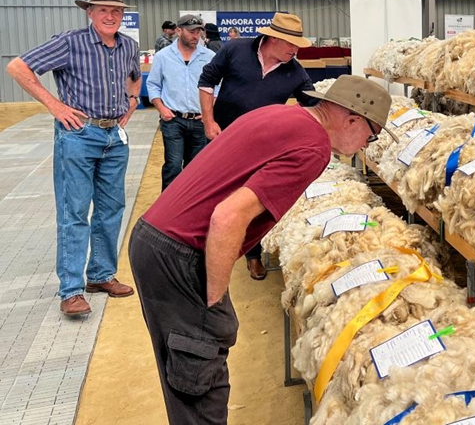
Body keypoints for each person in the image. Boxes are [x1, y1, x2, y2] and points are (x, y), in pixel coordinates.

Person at [129, 75, 396, 424]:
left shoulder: (283, 116)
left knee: (186, 372)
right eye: (370, 135)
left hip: (158, 237)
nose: (365, 145)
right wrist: (212, 302)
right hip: (180, 252)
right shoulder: (314, 147)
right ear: (351, 119)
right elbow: (227, 217)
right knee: (199, 371)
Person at [5, 0, 140, 316]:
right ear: (90, 12)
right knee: (75, 212)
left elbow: (134, 77)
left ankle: (101, 275)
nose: (110, 16)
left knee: (111, 210)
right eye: (103, 10)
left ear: (123, 14)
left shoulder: (128, 46)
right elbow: (18, 67)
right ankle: (71, 290)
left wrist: (132, 101)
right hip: (78, 135)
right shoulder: (70, 42)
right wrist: (54, 105)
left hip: (113, 137)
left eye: (116, 11)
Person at [198, 12, 319, 280]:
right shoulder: (235, 50)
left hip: (262, 147)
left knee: (251, 199)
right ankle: (204, 245)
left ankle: (252, 254)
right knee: (214, 191)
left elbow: (313, 105)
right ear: (273, 38)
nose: (295, 50)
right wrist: (208, 121)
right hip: (223, 137)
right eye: (291, 44)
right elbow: (207, 80)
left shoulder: (295, 71)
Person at [147, 14, 216, 191]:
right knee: (173, 165)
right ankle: (166, 210)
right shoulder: (163, 56)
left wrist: (209, 109)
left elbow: (219, 85)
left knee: (196, 169)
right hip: (173, 119)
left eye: (199, 32)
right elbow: (153, 84)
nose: (196, 36)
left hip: (199, 120)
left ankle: (189, 208)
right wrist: (161, 108)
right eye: (192, 32)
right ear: (179, 31)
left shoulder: (208, 56)